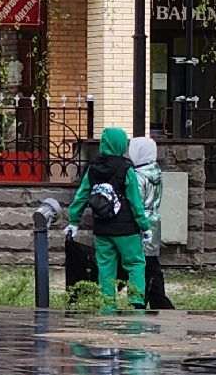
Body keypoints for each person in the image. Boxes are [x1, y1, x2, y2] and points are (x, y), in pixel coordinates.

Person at [66, 127, 152, 313]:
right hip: (127, 230)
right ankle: (136, 303)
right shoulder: (126, 168)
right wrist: (144, 226)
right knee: (136, 263)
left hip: (102, 228)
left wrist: (74, 221)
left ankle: (107, 306)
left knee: (106, 268)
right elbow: (135, 201)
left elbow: (81, 196)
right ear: (121, 144)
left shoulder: (93, 169)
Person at [128, 134, 177, 310]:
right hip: (155, 220)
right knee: (151, 262)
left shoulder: (137, 176)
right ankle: (156, 299)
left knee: (142, 264)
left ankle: (151, 300)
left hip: (141, 223)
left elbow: (136, 202)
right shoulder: (155, 171)